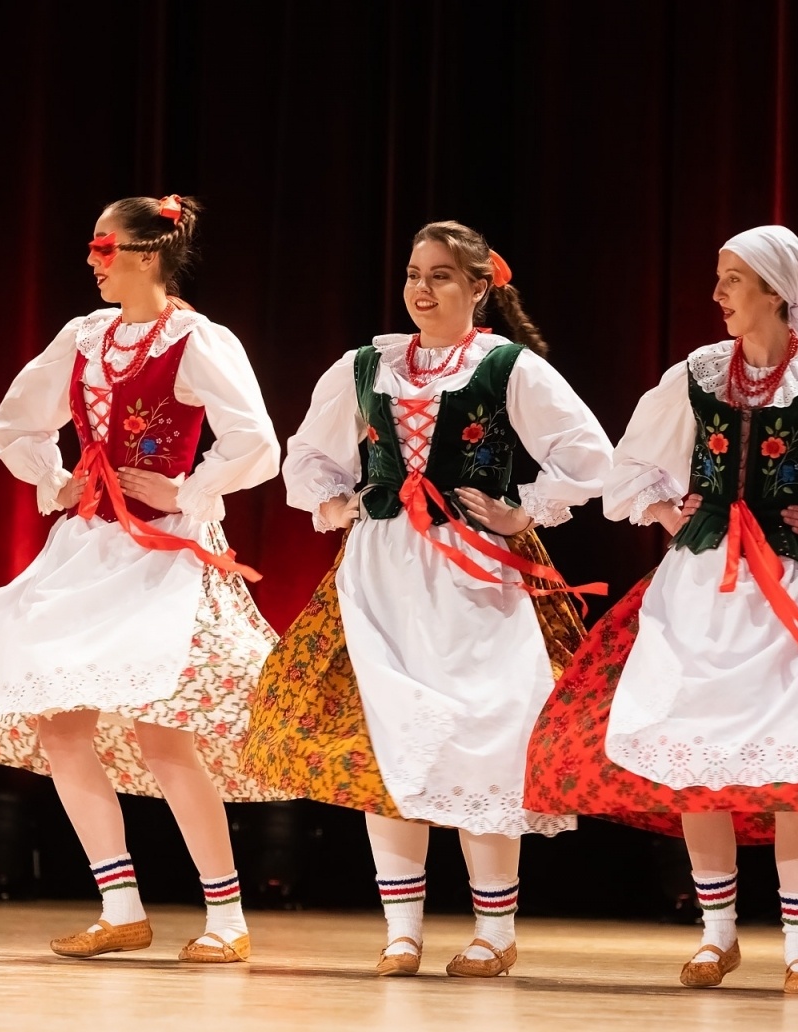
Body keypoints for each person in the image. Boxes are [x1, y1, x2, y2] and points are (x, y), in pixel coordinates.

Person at [525, 225, 798, 994]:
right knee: (696, 754)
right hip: (700, 586)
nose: (717, 294)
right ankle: (718, 934)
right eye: (718, 278)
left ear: (776, 292)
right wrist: (666, 512)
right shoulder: (698, 374)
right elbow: (632, 470)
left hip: (791, 593)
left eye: (731, 279)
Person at [245, 221, 611, 977]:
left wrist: (526, 509)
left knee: (489, 736)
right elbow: (309, 455)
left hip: (476, 572)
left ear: (480, 288)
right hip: (382, 569)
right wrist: (333, 501)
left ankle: (494, 931)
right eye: (415, 273)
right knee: (391, 735)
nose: (422, 288)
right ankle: (402, 930)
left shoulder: (507, 368)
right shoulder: (365, 365)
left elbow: (591, 457)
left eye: (443, 275)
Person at [0, 195, 282, 964]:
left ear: (148, 255)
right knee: (61, 726)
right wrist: (53, 477)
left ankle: (225, 913)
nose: (91, 262)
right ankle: (119, 902)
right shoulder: (84, 336)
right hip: (91, 542)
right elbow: (15, 423)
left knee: (165, 737)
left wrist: (188, 489)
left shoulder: (196, 339)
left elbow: (257, 443)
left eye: (104, 247)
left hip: (158, 550)